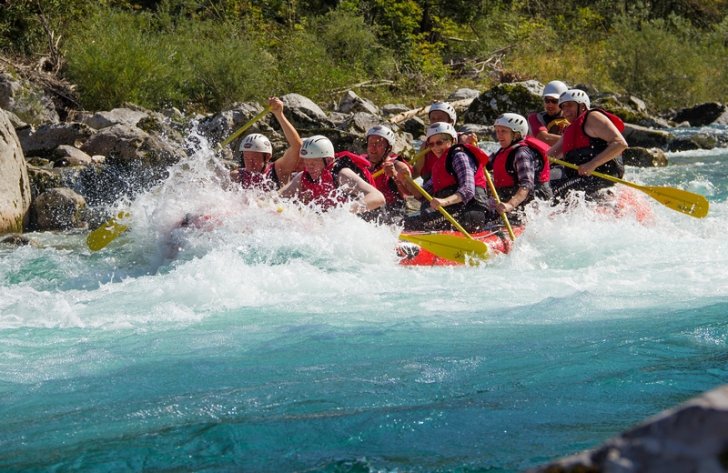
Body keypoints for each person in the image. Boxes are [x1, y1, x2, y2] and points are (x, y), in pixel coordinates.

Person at [398, 122, 489, 232]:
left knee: (407, 224)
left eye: (439, 142)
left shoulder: (459, 156)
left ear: (453, 141)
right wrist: (404, 180)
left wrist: (444, 201)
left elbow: (468, 189)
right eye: (431, 144)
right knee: (405, 221)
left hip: (470, 213)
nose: (435, 148)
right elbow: (422, 195)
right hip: (453, 214)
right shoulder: (439, 165)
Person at [548, 89, 628, 199]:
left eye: (569, 105)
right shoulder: (571, 130)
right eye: (563, 107)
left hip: (602, 176)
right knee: (548, 187)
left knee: (558, 194)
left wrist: (592, 164)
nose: (565, 110)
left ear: (582, 106)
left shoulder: (592, 117)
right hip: (583, 179)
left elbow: (620, 144)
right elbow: (549, 156)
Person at [279, 135, 385, 214]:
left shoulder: (341, 174)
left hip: (361, 222)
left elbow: (378, 197)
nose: (309, 167)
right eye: (306, 162)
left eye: (314, 162)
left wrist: (340, 213)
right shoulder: (303, 176)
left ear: (329, 160)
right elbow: (275, 198)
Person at [336, 125, 413, 223]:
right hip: (366, 208)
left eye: (379, 145)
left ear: (388, 148)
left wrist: (394, 176)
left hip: (391, 211)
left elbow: (409, 193)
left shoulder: (399, 166)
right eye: (370, 143)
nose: (373, 148)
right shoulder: (359, 163)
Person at [486, 113, 552, 224]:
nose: (499, 135)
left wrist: (510, 205)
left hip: (529, 199)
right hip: (508, 195)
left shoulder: (522, 153)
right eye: (497, 131)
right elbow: (483, 165)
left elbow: (526, 185)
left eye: (504, 131)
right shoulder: (503, 150)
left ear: (516, 135)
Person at [230, 96, 302, 191]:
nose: (250, 164)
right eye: (246, 158)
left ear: (267, 157)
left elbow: (297, 146)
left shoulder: (279, 170)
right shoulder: (237, 176)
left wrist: (279, 115)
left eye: (254, 159)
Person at [414, 101, 458, 180]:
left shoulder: (463, 139)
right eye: (433, 119)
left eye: (440, 119)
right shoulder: (426, 146)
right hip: (431, 188)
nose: (436, 122)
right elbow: (416, 171)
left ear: (451, 122)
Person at [527, 80, 570, 145]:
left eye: (554, 101)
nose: (550, 105)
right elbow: (544, 138)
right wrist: (573, 140)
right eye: (547, 100)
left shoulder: (572, 118)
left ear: (563, 102)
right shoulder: (535, 118)